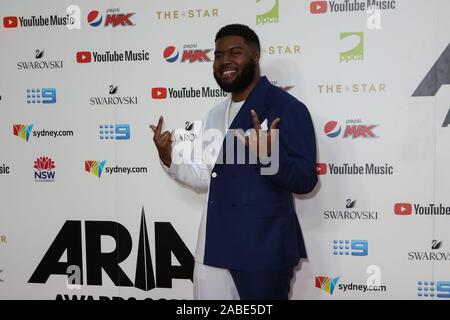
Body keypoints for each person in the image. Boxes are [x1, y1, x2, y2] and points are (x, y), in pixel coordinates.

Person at [150, 24, 317, 300]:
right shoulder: (214, 114)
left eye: (235, 52)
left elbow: (306, 179)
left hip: (263, 250)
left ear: (255, 56)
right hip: (213, 245)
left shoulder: (287, 108)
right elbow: (207, 177)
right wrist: (169, 159)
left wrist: (269, 157)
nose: (225, 61)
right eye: (218, 55)